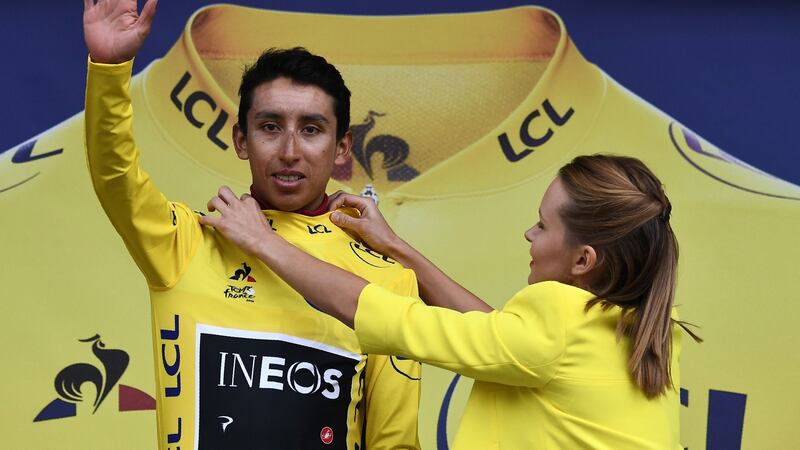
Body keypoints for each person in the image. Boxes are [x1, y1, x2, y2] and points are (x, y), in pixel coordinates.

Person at [82, 1, 421, 449]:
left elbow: (394, 443)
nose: (289, 150)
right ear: (241, 139)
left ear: (343, 148)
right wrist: (110, 68)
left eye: (312, 129)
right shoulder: (186, 244)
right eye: (270, 126)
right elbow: (114, 176)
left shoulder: (387, 279)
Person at [201, 153, 701, 449]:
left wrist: (264, 242)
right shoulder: (649, 330)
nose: (529, 233)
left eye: (544, 225)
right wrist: (395, 247)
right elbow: (499, 336)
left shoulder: (558, 320)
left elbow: (373, 312)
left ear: (582, 260)